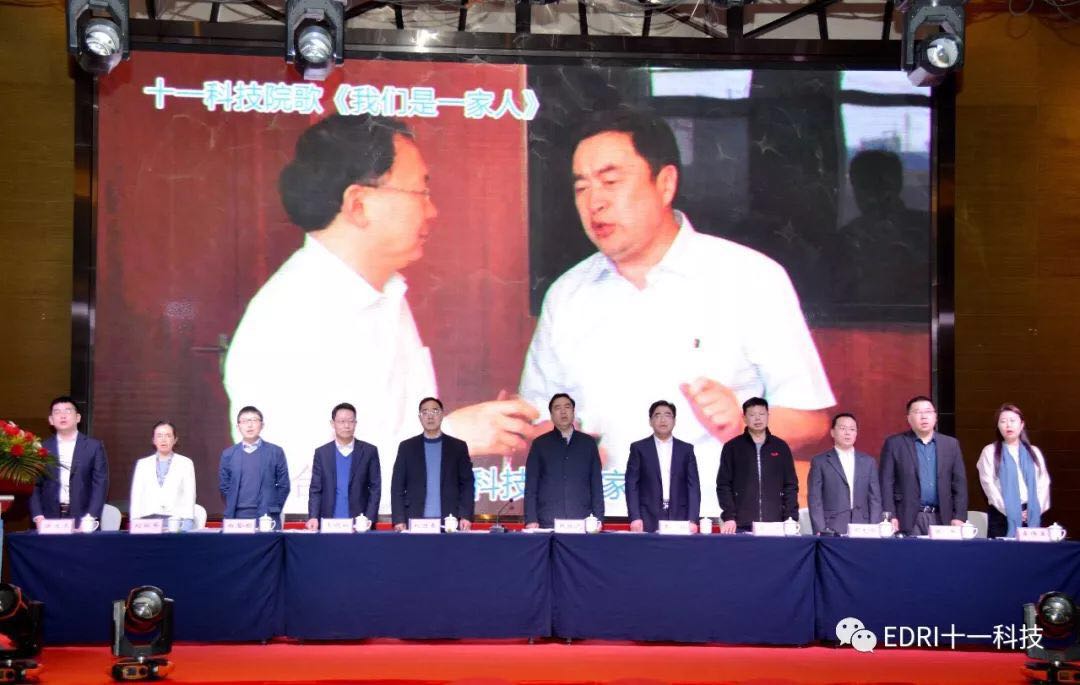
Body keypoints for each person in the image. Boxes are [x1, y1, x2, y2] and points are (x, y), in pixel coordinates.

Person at [519, 108, 834, 517]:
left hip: (720, 525)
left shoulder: (749, 278)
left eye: (611, 182)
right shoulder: (566, 295)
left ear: (665, 183)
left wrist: (745, 425)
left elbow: (812, 421)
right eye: (581, 187)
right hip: (601, 527)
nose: (594, 202)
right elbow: (539, 419)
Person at [224, 114, 537, 515]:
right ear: (359, 205)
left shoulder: (387, 294)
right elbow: (307, 492)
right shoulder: (287, 320)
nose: (432, 210)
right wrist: (451, 437)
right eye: (420, 192)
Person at [879, 396, 968, 536]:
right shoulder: (895, 444)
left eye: (928, 411)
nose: (924, 416)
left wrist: (959, 516)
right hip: (906, 517)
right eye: (918, 412)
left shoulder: (951, 444)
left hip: (942, 517)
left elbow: (959, 484)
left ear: (935, 417)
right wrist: (890, 516)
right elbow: (886, 484)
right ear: (909, 418)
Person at [715, 397, 798, 533]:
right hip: (741, 523)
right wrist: (729, 516)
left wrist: (790, 518)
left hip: (776, 523)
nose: (757, 418)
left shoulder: (780, 446)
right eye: (752, 415)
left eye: (761, 414)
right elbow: (724, 485)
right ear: (744, 418)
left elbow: (790, 485)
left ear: (768, 415)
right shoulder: (732, 447)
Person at [390, 397, 475, 531]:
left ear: (442, 415)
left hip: (450, 521)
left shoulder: (458, 447)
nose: (430, 416)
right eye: (425, 412)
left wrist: (465, 515)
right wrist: (399, 519)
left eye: (435, 411)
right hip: (415, 520)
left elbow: (467, 485)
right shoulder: (407, 447)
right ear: (419, 417)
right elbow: (397, 486)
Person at [524, 394, 604, 529]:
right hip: (548, 521)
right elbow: (531, 486)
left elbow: (596, 484)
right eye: (557, 408)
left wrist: (598, 518)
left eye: (567, 407)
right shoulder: (540, 444)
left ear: (573, 412)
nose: (563, 411)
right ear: (551, 415)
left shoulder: (588, 443)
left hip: (582, 521)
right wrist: (531, 519)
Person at [30, 396, 109, 527]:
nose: (62, 415)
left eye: (68, 411)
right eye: (57, 412)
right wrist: (38, 516)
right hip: (48, 519)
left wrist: (91, 517)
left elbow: (100, 484)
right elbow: (34, 486)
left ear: (78, 417)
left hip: (84, 519)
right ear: (51, 420)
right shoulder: (41, 448)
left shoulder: (94, 447)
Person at [625, 400, 700, 533]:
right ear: (650, 421)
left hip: (680, 516)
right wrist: (635, 517)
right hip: (647, 516)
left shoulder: (686, 449)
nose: (663, 419)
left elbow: (693, 486)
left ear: (674, 421)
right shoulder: (639, 448)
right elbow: (632, 485)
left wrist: (693, 519)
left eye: (667, 415)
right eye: (657, 415)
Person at [977, 403, 1050, 539]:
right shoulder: (990, 451)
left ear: (1022, 424)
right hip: (1002, 514)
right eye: (1003, 421)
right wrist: (1011, 510)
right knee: (1002, 552)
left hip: (1031, 513)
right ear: (998, 426)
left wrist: (1034, 510)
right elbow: (988, 485)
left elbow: (1043, 484)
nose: (1008, 425)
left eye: (1012, 420)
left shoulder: (1034, 452)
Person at [306, 403, 381, 530]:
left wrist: (369, 518)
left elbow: (375, 488)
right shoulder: (322, 453)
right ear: (332, 423)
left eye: (351, 421)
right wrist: (313, 516)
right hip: (328, 522)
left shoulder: (369, 451)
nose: (347, 426)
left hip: (360, 523)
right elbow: (315, 489)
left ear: (355, 423)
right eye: (342, 421)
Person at [807, 413, 881, 535]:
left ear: (856, 433)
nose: (847, 433)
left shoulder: (869, 462)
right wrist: (820, 529)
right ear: (832, 432)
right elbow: (815, 499)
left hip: (863, 527)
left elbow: (875, 499)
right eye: (842, 428)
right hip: (832, 527)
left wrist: (875, 528)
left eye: (852, 429)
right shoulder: (820, 461)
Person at [219, 406, 290, 520]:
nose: (249, 425)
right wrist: (232, 505)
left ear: (262, 425)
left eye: (254, 420)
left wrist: (274, 509)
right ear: (238, 426)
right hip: (236, 517)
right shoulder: (228, 454)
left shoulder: (275, 452)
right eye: (244, 421)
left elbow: (284, 485)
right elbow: (224, 487)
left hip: (266, 517)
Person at [129, 421, 196, 528]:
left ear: (175, 440)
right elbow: (136, 495)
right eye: (159, 436)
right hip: (148, 521)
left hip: (175, 520)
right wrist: (135, 521)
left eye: (168, 436)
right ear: (153, 440)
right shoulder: (143, 464)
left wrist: (188, 520)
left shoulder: (185, 463)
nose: (163, 440)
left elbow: (189, 495)